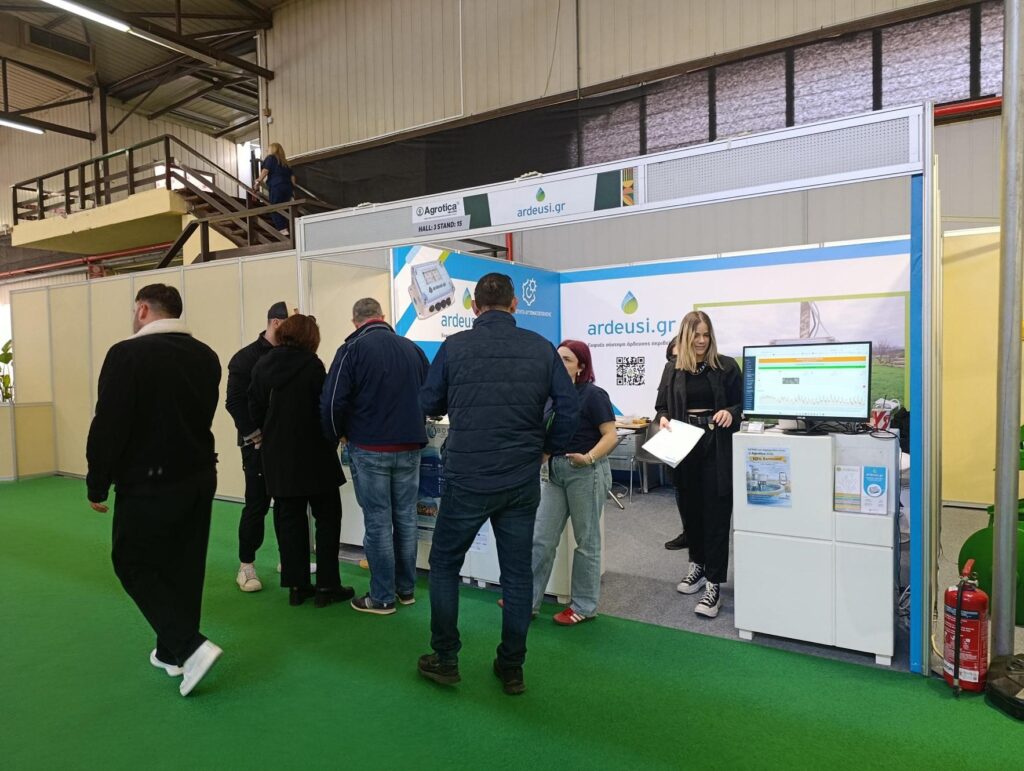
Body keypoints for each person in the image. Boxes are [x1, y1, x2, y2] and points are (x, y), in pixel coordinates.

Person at [417, 272, 579, 696]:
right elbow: (569, 406)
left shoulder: (454, 347)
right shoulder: (540, 348)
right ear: (514, 305)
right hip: (520, 479)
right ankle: (511, 667)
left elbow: (429, 402)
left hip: (467, 476)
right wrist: (548, 448)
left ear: (474, 307)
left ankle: (445, 658)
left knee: (444, 565)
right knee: (517, 574)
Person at [86, 283, 222, 697]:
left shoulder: (126, 354)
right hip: (199, 474)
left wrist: (97, 482)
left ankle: (190, 647)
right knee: (184, 565)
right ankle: (171, 652)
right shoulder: (207, 356)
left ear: (143, 309)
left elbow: (109, 425)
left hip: (148, 480)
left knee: (132, 562)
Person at [320, 297, 429, 615]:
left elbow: (332, 402)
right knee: (406, 518)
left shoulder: (351, 350)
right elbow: (432, 394)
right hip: (410, 446)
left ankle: (381, 597)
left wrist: (336, 435)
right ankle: (405, 590)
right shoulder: (413, 349)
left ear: (355, 322)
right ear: (382, 316)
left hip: (369, 447)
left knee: (379, 521)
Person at [249, 314, 354, 608]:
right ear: (311, 338)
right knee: (328, 518)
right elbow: (326, 406)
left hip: (278, 457)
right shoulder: (313, 365)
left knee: (289, 520)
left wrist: (268, 433)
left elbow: (253, 407)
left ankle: (297, 587)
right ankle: (327, 585)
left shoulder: (262, 365)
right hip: (315, 454)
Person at [655, 311, 742, 618]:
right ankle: (698, 566)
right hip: (683, 443)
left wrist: (731, 412)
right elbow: (661, 407)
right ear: (685, 336)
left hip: (716, 444)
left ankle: (714, 584)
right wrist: (662, 418)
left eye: (706, 334)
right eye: (696, 335)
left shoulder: (726, 366)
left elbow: (742, 403)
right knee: (691, 512)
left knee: (716, 514)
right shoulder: (672, 368)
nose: (702, 340)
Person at [530, 339, 617, 625]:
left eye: (566, 360)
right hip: (554, 472)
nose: (559, 364)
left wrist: (588, 458)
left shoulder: (593, 395)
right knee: (542, 539)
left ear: (581, 366)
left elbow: (611, 436)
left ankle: (584, 606)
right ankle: (527, 599)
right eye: (557, 359)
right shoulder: (552, 396)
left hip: (585, 472)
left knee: (586, 542)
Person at [225, 301, 289, 593]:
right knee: (257, 504)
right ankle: (246, 566)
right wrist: (255, 435)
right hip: (257, 446)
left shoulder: (291, 354)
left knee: (288, 504)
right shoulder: (245, 358)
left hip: (286, 444)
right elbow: (234, 403)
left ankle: (289, 559)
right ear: (276, 323)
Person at [663, 338, 689, 552]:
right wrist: (663, 416)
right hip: (676, 436)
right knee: (680, 486)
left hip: (702, 436)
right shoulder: (670, 372)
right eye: (673, 357)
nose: (676, 361)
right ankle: (688, 532)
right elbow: (661, 406)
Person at [256, 142, 297, 232]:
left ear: (272, 149)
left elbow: (265, 171)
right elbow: (293, 179)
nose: (267, 150)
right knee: (284, 207)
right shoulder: (286, 162)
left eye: (268, 149)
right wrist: (292, 191)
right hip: (288, 188)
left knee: (274, 207)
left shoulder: (270, 158)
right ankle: (288, 228)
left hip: (277, 186)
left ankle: (282, 229)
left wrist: (258, 181)